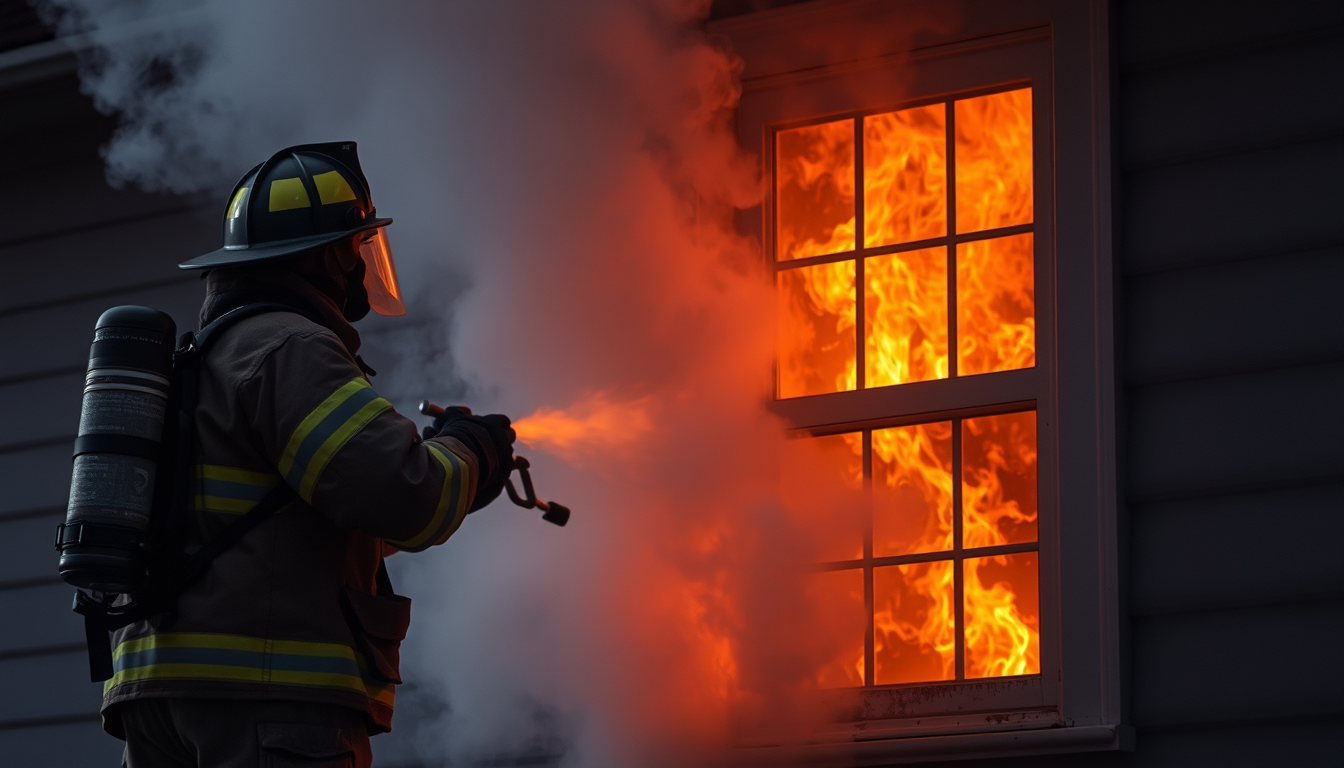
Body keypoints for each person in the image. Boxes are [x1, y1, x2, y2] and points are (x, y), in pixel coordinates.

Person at [101, 143, 512, 767]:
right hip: (262, 700)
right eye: (356, 249)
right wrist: (471, 449)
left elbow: (300, 519)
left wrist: (456, 470)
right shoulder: (289, 348)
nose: (361, 269)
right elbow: (407, 496)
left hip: (162, 692)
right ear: (328, 256)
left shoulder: (214, 354)